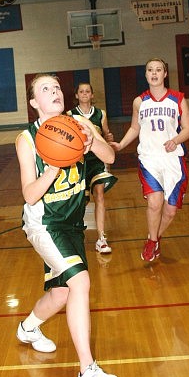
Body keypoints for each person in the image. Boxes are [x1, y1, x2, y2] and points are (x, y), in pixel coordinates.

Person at [15, 73, 118, 377]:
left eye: (57, 87)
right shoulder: (27, 139)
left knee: (61, 293)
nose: (54, 92)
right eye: (45, 89)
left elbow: (110, 157)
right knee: (80, 283)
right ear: (34, 103)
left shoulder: (79, 125)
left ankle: (28, 328)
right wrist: (53, 169)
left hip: (73, 222)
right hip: (44, 223)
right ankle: (87, 371)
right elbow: (30, 194)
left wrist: (93, 141)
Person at [111, 58, 189, 263]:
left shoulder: (178, 98)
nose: (154, 73)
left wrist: (176, 140)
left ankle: (153, 238)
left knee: (171, 210)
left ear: (165, 74)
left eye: (158, 70)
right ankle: (152, 241)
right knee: (155, 203)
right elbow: (134, 128)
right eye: (150, 70)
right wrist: (121, 145)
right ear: (146, 75)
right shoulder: (139, 101)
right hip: (149, 159)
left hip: (173, 159)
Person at [67, 82, 117, 254]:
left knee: (100, 195)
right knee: (82, 201)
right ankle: (75, 235)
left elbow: (105, 134)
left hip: (97, 160)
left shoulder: (100, 114)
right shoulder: (70, 115)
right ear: (76, 95)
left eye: (87, 91)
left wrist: (108, 138)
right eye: (81, 91)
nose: (84, 94)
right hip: (80, 162)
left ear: (92, 95)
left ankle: (102, 238)